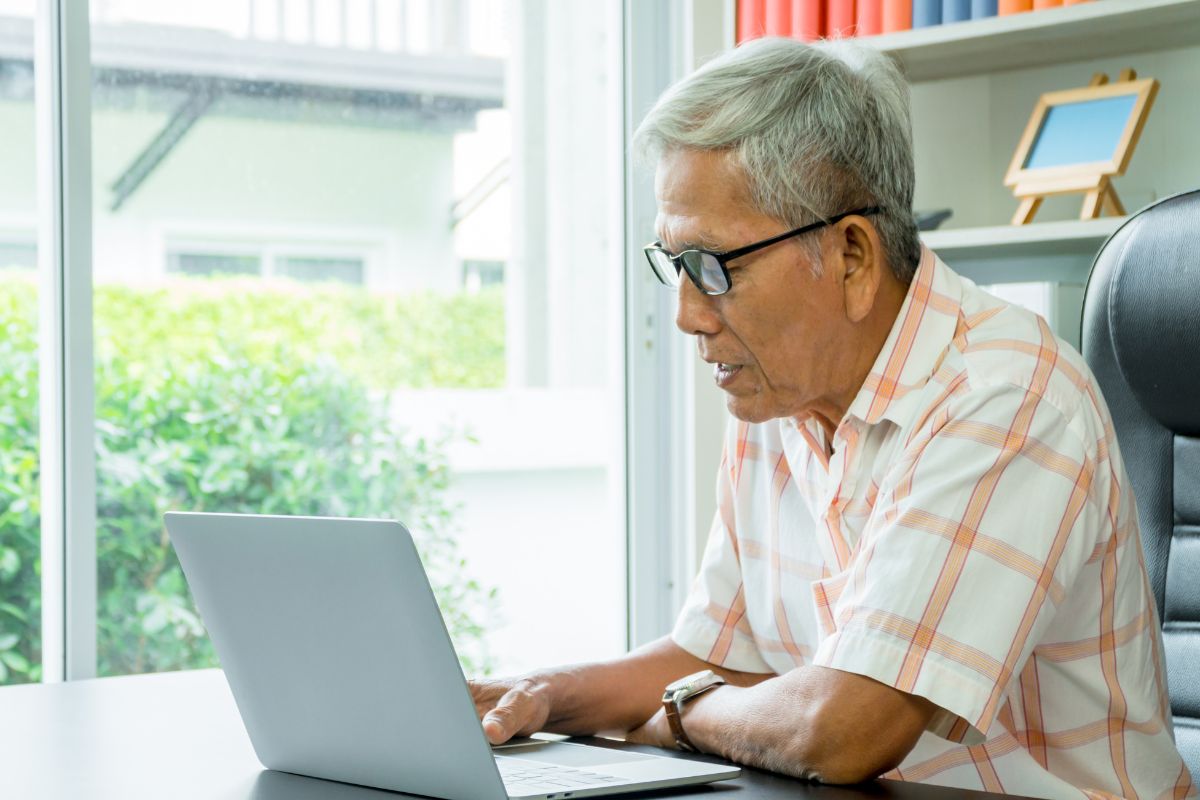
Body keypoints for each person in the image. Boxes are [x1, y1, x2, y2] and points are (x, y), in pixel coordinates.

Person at [470, 37, 1195, 798]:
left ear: (850, 255)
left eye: (714, 268)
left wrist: (682, 719)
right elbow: (719, 654)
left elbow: (846, 729)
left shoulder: (1005, 395)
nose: (686, 316)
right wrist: (538, 694)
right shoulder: (772, 396)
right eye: (674, 264)